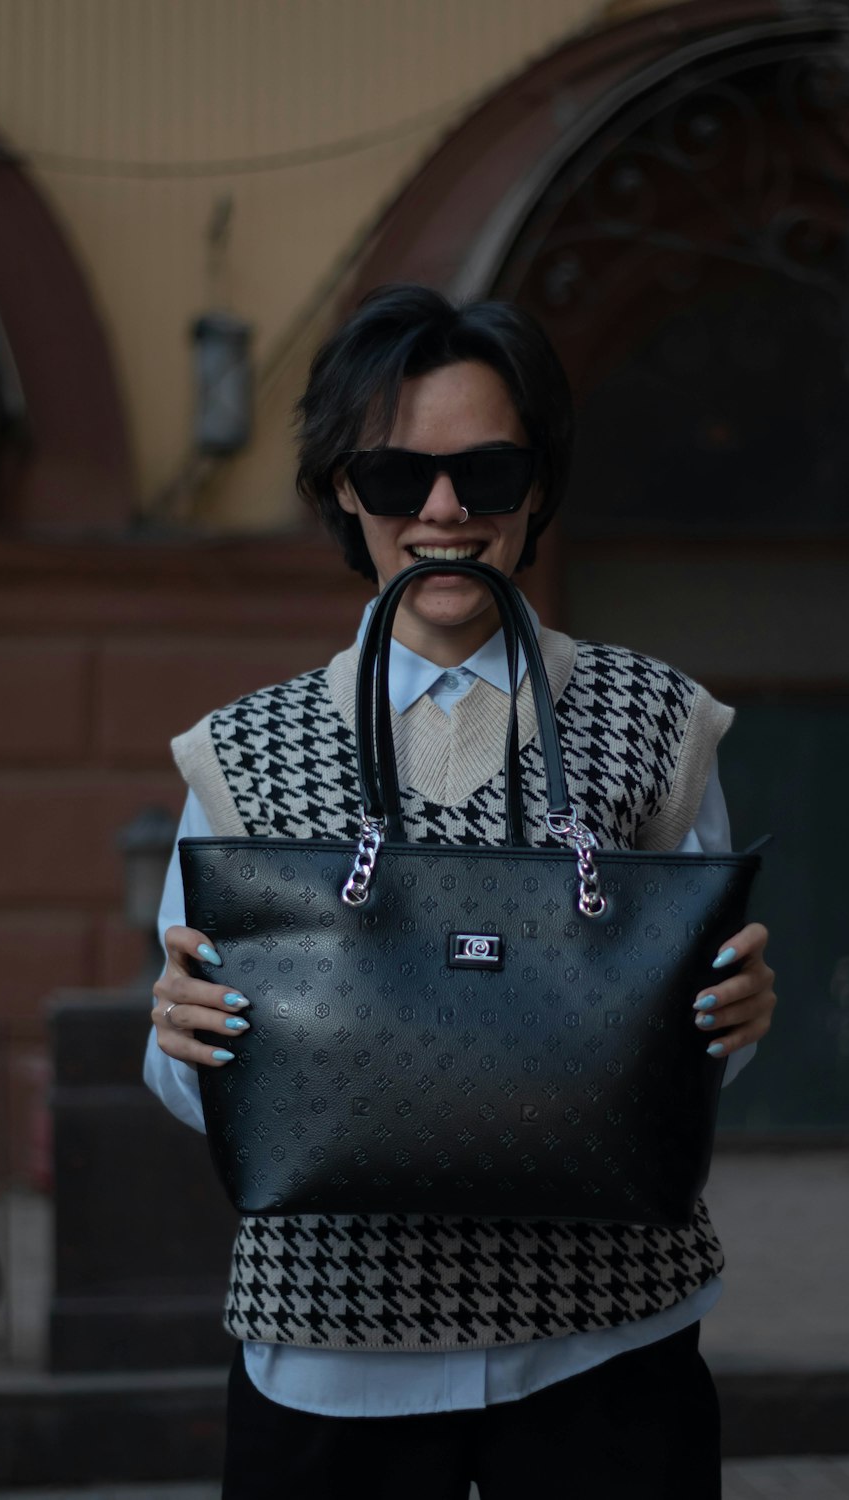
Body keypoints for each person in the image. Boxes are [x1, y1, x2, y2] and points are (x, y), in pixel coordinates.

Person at [145, 283, 777, 1500]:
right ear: (343, 487)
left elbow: (688, 1053)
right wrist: (176, 1041)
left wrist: (735, 1018)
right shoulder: (239, 753)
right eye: (396, 476)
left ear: (536, 487)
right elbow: (189, 1071)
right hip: (325, 1354)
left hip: (605, 1335)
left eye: (485, 472)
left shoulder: (654, 720)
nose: (442, 510)